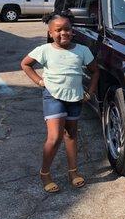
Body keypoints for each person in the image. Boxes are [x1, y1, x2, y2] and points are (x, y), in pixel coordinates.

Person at [21, 12, 100, 193]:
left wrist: (90, 92)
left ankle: (73, 172)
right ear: (50, 33)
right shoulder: (44, 50)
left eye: (67, 29)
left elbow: (95, 71)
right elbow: (25, 64)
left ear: (72, 31)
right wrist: (40, 81)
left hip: (75, 97)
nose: (63, 33)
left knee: (71, 134)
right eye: (58, 30)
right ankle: (45, 173)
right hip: (53, 96)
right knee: (55, 137)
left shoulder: (82, 50)